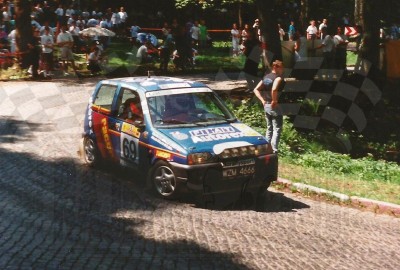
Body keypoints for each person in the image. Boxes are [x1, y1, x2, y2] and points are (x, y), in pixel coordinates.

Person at [253, 60, 285, 153]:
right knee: (277, 128)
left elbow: (256, 89)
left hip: (266, 105)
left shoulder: (266, 77)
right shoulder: (278, 78)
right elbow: (274, 89)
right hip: (274, 105)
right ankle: (274, 150)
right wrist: (274, 100)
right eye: (281, 67)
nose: (282, 70)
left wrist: (262, 100)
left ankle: (266, 147)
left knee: (269, 127)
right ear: (276, 67)